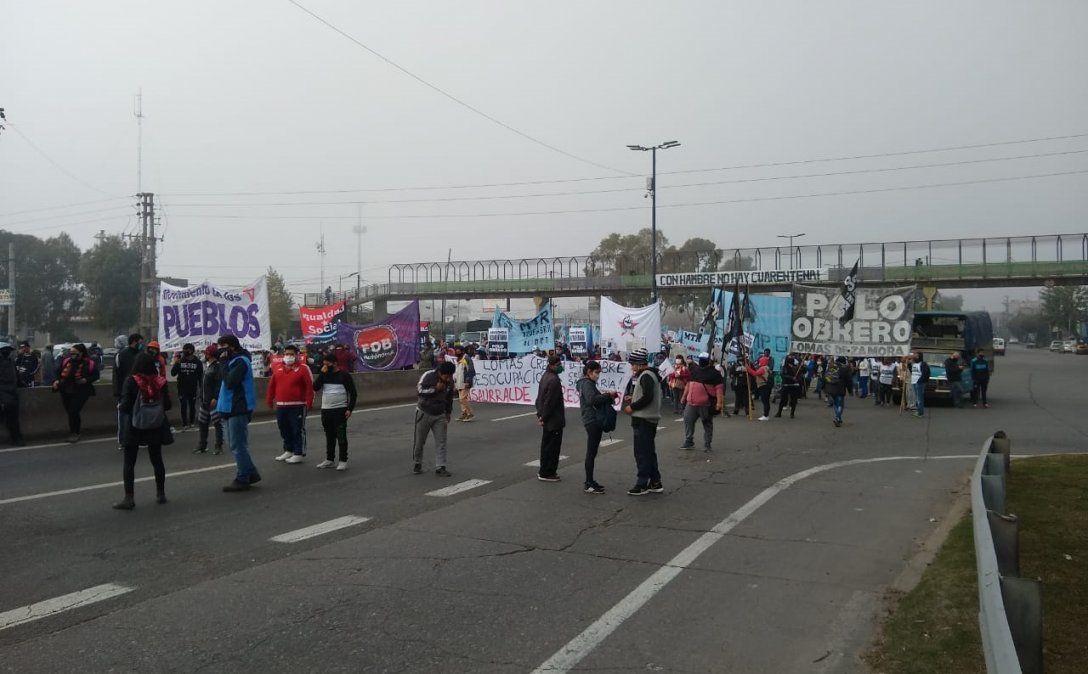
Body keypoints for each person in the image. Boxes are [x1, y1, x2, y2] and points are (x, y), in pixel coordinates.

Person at [113, 352, 172, 510]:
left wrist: (122, 407)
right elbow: (167, 405)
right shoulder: (160, 381)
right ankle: (161, 494)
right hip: (156, 425)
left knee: (129, 462)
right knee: (157, 460)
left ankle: (129, 498)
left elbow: (125, 405)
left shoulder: (131, 381)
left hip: (135, 425)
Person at [217, 335, 261, 491]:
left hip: (238, 407)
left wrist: (222, 362)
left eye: (222, 346)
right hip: (229, 407)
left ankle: (243, 477)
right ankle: (251, 473)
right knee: (234, 444)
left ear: (230, 346)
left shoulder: (241, 361)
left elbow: (229, 382)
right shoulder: (232, 360)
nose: (220, 350)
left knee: (238, 445)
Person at [623, 348, 663, 496]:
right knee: (649, 452)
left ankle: (642, 484)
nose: (632, 367)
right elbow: (645, 394)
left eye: (633, 364)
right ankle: (655, 481)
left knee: (641, 453)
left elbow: (647, 397)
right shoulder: (651, 374)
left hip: (643, 419)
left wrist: (632, 406)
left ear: (640, 364)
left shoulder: (646, 375)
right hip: (649, 419)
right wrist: (632, 397)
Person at [267, 344, 314, 464]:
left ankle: (299, 452)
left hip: (298, 405)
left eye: (291, 354)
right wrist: (269, 399)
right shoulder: (278, 368)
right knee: (284, 428)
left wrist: (309, 402)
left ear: (297, 355)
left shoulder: (303, 368)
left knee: (297, 429)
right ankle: (288, 449)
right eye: (287, 354)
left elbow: (310, 387)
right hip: (281, 405)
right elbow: (272, 386)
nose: (289, 356)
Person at [577, 360, 618, 494]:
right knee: (591, 452)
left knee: (592, 452)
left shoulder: (586, 383)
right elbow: (592, 400)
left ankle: (590, 481)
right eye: (596, 372)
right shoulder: (587, 384)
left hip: (593, 419)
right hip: (592, 420)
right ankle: (589, 482)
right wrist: (607, 395)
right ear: (589, 372)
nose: (598, 375)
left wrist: (607, 396)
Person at [313, 352, 357, 470]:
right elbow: (315, 387)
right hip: (326, 410)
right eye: (324, 364)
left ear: (335, 363)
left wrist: (349, 409)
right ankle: (329, 459)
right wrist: (322, 374)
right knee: (329, 436)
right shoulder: (324, 374)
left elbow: (353, 393)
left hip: (340, 410)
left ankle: (343, 460)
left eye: (328, 364)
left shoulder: (344, 375)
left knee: (341, 436)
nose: (326, 366)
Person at [412, 361, 455, 476]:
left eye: (450, 376)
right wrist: (435, 389)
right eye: (446, 376)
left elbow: (450, 398)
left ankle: (440, 467)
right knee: (420, 441)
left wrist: (448, 412)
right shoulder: (428, 375)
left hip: (440, 415)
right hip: (424, 412)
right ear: (440, 373)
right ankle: (417, 463)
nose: (448, 378)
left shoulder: (450, 381)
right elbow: (419, 390)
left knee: (441, 441)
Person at [52, 343, 100, 442]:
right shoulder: (66, 361)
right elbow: (58, 373)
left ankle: (75, 433)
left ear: (81, 353)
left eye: (75, 353)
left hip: (81, 391)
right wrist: (56, 381)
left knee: (74, 410)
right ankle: (73, 431)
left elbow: (96, 376)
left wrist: (85, 380)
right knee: (70, 412)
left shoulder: (89, 363)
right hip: (65, 390)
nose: (72, 354)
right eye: (71, 353)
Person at [680, 352, 724, 451]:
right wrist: (684, 397)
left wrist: (719, 403)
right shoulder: (694, 370)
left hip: (706, 405)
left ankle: (707, 444)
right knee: (688, 421)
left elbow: (719, 389)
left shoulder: (715, 373)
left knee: (707, 424)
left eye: (703, 359)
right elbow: (688, 385)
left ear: (708, 361)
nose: (701, 361)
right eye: (700, 359)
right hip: (691, 404)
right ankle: (688, 441)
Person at [535, 354, 565, 482]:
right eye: (558, 365)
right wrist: (544, 417)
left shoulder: (545, 376)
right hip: (553, 419)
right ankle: (548, 472)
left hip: (547, 418)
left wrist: (540, 414)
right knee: (552, 447)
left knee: (546, 445)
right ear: (552, 365)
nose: (560, 367)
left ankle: (544, 470)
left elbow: (539, 399)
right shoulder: (554, 380)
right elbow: (550, 402)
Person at [195, 344, 224, 454]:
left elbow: (219, 384)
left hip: (212, 401)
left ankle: (218, 446)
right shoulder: (208, 366)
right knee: (202, 423)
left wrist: (215, 397)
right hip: (204, 400)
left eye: (206, 353)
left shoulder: (217, 367)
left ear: (210, 355)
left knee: (217, 424)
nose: (204, 355)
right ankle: (202, 445)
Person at [171, 343, 204, 430]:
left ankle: (192, 423)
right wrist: (175, 364)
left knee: (192, 406)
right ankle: (184, 424)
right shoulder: (180, 361)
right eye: (184, 349)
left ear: (191, 351)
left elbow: (201, 376)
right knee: (183, 405)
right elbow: (173, 373)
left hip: (192, 388)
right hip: (182, 388)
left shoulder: (197, 362)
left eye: (187, 350)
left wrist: (201, 388)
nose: (185, 351)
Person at [0, 343, 25, 445]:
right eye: (6, 350)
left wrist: (21, 384)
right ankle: (17, 439)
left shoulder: (11, 361)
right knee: (10, 419)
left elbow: (16, 375)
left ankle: (17, 438)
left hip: (13, 393)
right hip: (3, 393)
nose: (8, 352)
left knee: (13, 419)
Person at [823, 356, 854, 427]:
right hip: (840, 388)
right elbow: (849, 381)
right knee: (840, 404)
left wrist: (824, 388)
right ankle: (837, 417)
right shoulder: (845, 368)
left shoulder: (831, 366)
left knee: (835, 404)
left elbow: (825, 376)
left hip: (830, 388)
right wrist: (850, 391)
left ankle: (839, 418)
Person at [775, 354, 804, 419]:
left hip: (794, 386)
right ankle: (779, 412)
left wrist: (802, 366)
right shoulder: (784, 367)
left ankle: (792, 414)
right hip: (786, 385)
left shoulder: (797, 367)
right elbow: (783, 375)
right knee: (783, 399)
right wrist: (791, 378)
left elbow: (801, 373)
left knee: (793, 400)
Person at [746, 353, 772, 421]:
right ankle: (766, 415)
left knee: (765, 401)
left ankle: (765, 415)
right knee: (766, 401)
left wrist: (748, 368)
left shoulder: (762, 368)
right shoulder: (767, 368)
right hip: (767, 385)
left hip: (763, 385)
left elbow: (755, 373)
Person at [453, 345, 476, 422]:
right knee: (461, 399)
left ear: (462, 350)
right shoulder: (458, 359)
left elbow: (471, 370)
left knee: (462, 398)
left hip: (465, 382)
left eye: (458, 350)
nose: (456, 351)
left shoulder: (466, 358)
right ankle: (464, 413)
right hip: (459, 382)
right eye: (456, 350)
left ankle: (470, 413)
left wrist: (468, 381)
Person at [911, 352, 931, 417]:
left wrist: (920, 381)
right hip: (914, 382)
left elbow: (926, 373)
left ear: (919, 357)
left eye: (916, 356)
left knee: (919, 398)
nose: (914, 357)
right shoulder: (914, 364)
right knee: (917, 397)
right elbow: (912, 371)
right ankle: (918, 410)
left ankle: (920, 412)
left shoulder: (923, 364)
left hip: (919, 383)